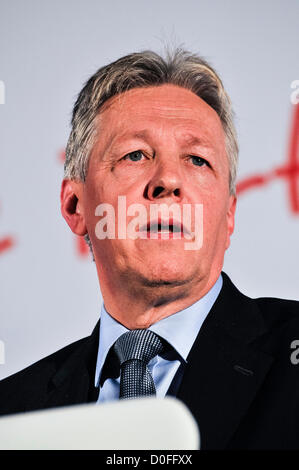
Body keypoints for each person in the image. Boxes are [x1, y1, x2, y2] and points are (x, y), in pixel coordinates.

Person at [1, 49, 299, 450]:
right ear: (76, 206)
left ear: (228, 217)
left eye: (197, 159)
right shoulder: (13, 413)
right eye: (135, 155)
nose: (169, 181)